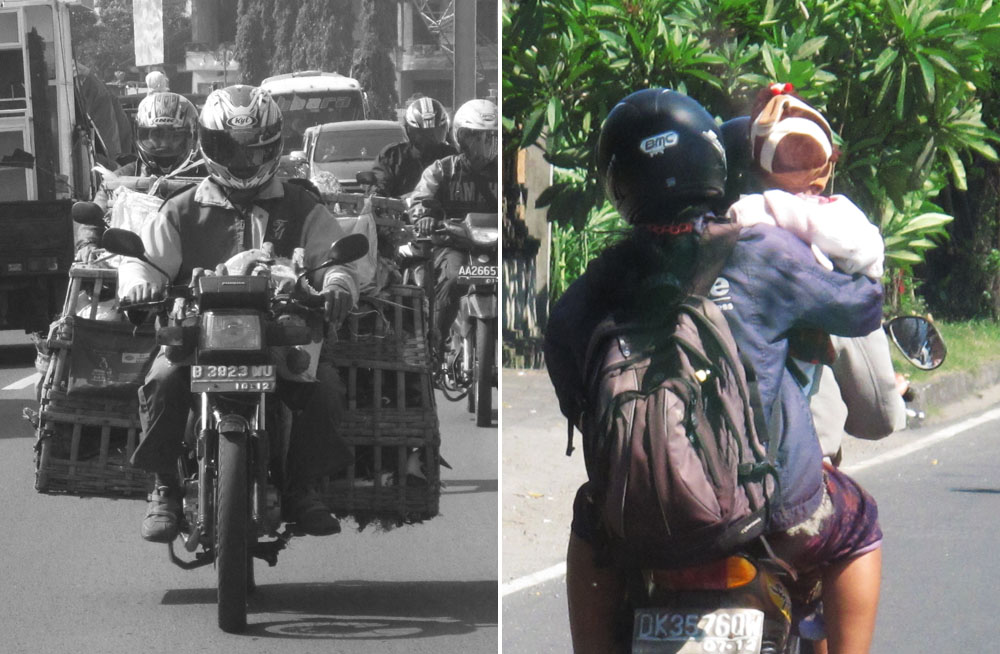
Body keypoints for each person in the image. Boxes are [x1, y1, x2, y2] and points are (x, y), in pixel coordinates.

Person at [543, 89, 885, 654]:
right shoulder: (763, 252)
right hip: (775, 513)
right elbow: (863, 308)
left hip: (639, 522)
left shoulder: (601, 282)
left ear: (618, 181)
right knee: (858, 526)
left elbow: (568, 377)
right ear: (712, 164)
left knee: (589, 522)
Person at [118, 85, 361, 542]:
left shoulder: (302, 205)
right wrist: (139, 282)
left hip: (282, 335)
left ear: (273, 148)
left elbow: (335, 258)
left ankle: (303, 489)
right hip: (196, 334)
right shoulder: (181, 210)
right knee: (162, 381)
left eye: (255, 150)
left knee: (324, 387)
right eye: (231, 149)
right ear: (209, 146)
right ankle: (165, 486)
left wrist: (336, 285)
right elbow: (145, 259)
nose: (244, 161)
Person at [722, 84, 906, 463]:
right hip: (797, 460)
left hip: (715, 456)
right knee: (859, 519)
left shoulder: (709, 240)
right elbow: (879, 415)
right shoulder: (808, 253)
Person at [410, 98, 498, 354]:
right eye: (475, 138)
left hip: (493, 248)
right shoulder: (442, 170)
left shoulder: (503, 172)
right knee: (453, 280)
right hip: (454, 244)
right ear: (461, 138)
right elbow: (420, 198)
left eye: (489, 138)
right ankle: (436, 343)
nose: (483, 146)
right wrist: (425, 216)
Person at [76, 91, 201, 262]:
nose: (164, 143)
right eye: (156, 135)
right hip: (132, 266)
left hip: (193, 268)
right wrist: (88, 244)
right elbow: (94, 217)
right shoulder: (120, 178)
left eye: (174, 136)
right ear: (141, 135)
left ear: (190, 137)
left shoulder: (208, 179)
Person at [369, 96, 456, 198]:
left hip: (445, 213)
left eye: (433, 133)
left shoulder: (452, 157)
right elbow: (380, 186)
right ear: (408, 130)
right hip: (400, 212)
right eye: (422, 133)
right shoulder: (392, 156)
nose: (428, 138)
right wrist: (378, 194)